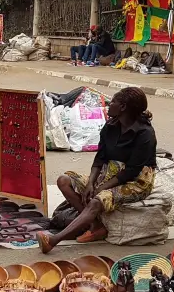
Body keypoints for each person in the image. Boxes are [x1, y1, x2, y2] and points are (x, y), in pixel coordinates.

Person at [38, 87, 157, 253]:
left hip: (136, 181)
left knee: (96, 200)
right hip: (109, 175)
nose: (109, 105)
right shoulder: (110, 126)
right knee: (64, 180)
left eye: (113, 102)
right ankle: (96, 225)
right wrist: (91, 183)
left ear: (123, 107)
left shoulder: (145, 134)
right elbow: (100, 158)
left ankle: (54, 240)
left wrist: (101, 188)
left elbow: (131, 171)